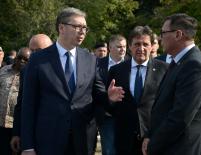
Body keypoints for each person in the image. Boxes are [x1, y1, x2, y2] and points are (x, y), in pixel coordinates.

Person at [20, 7, 123, 155]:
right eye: (77, 27)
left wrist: (109, 97)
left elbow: (98, 94)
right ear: (61, 28)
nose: (82, 31)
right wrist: (28, 146)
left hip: (82, 140)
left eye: (85, 28)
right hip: (48, 140)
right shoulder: (38, 60)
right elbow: (28, 105)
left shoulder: (91, 59)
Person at [144, 13, 201, 155]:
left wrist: (153, 143)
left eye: (163, 33)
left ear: (178, 34)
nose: (159, 38)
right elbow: (163, 106)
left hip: (185, 148)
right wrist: (149, 134)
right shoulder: (180, 62)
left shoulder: (195, 66)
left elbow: (180, 117)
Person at [107, 26, 168, 155]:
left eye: (145, 44)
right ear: (130, 46)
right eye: (137, 44)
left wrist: (154, 133)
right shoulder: (116, 71)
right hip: (125, 139)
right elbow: (109, 108)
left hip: (154, 137)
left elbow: (168, 105)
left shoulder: (165, 70)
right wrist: (110, 100)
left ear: (152, 46)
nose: (141, 48)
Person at [10, 34, 53, 154]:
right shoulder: (26, 71)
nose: (34, 54)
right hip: (33, 133)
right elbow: (21, 104)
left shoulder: (62, 68)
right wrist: (17, 133)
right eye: (32, 50)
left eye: (38, 50)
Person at [96, 34, 129, 155]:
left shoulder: (131, 63)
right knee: (109, 150)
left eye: (125, 46)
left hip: (127, 115)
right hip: (106, 116)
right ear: (110, 47)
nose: (123, 49)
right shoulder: (97, 64)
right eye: (119, 46)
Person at [0, 47, 31, 155]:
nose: (22, 61)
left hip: (17, 127)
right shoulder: (4, 70)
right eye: (19, 57)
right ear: (15, 57)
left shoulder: (30, 75)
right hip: (1, 124)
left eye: (25, 59)